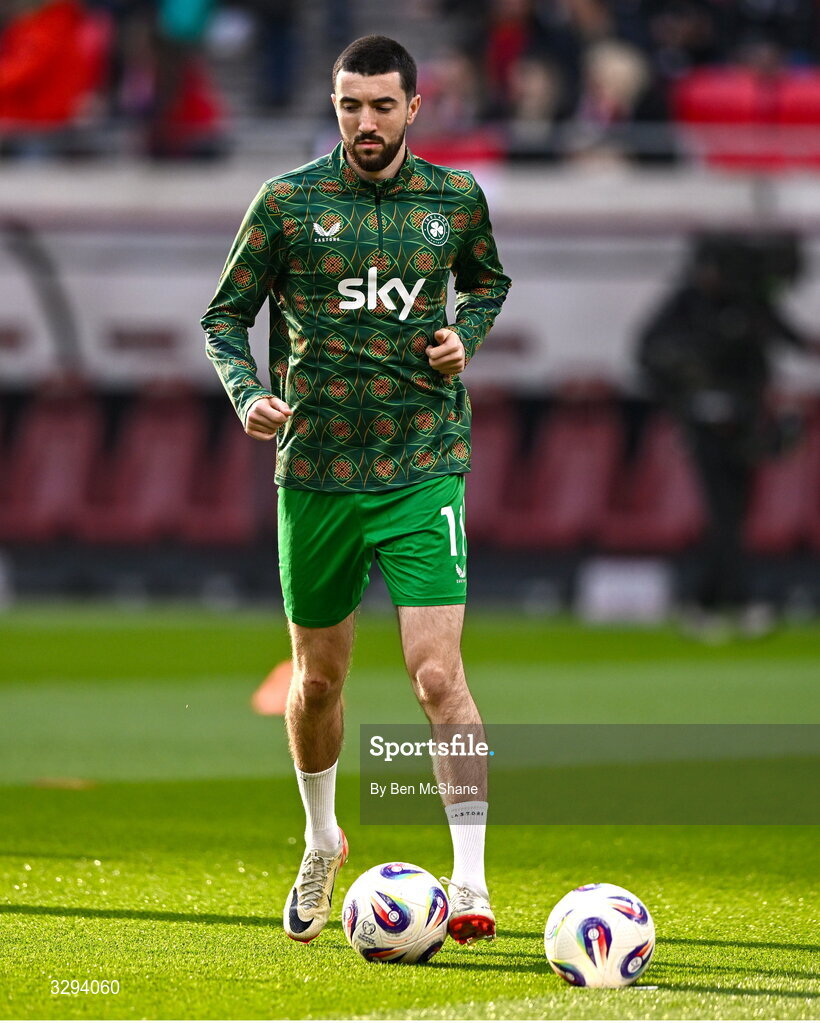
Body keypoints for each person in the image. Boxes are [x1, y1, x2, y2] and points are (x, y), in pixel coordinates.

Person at [201, 35, 511, 945]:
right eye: (349, 105)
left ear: (416, 107)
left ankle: (470, 880)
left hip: (423, 460)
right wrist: (248, 389)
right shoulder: (288, 203)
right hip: (318, 470)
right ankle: (322, 835)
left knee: (435, 672)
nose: (365, 123)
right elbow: (225, 314)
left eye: (382, 105)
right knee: (317, 682)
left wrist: (467, 337)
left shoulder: (455, 201)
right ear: (333, 107)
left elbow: (487, 282)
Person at [637, 231, 815, 637]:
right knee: (724, 515)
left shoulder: (746, 302)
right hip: (706, 427)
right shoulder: (687, 304)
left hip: (745, 422)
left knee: (733, 516)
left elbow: (782, 334)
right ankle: (732, 600)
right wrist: (693, 395)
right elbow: (651, 354)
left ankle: (710, 602)